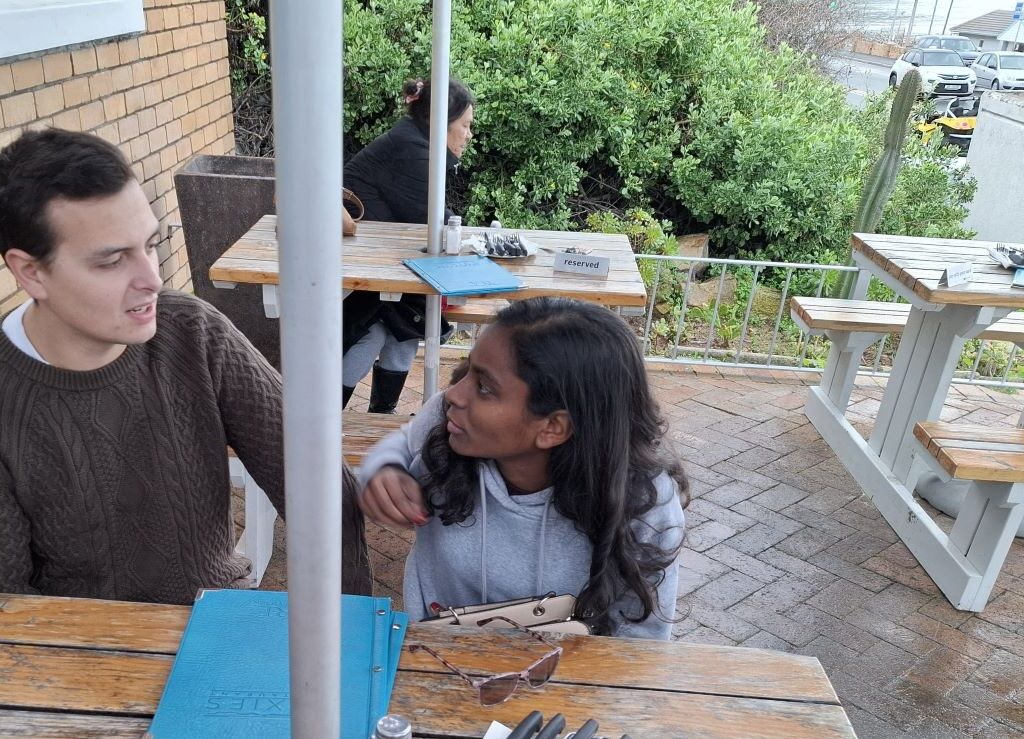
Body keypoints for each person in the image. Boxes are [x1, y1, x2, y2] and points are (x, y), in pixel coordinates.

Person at [0, 127, 370, 601]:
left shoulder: (191, 331)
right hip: (83, 655)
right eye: (113, 261)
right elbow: (10, 608)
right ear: (31, 272)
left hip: (219, 621)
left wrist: (345, 631)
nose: (151, 279)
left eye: (151, 245)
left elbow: (317, 483)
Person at [358, 297, 688, 639]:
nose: (453, 394)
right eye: (468, 370)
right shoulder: (449, 422)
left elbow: (640, 642)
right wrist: (385, 470)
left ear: (552, 428)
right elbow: (403, 441)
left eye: (484, 387)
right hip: (438, 654)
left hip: (566, 678)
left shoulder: (644, 503)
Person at [342, 77, 476, 414]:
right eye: (465, 125)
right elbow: (435, 226)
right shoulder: (414, 152)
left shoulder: (416, 143)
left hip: (372, 263)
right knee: (377, 332)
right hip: (351, 269)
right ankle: (328, 423)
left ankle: (380, 418)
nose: (468, 135)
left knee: (401, 330)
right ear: (440, 122)